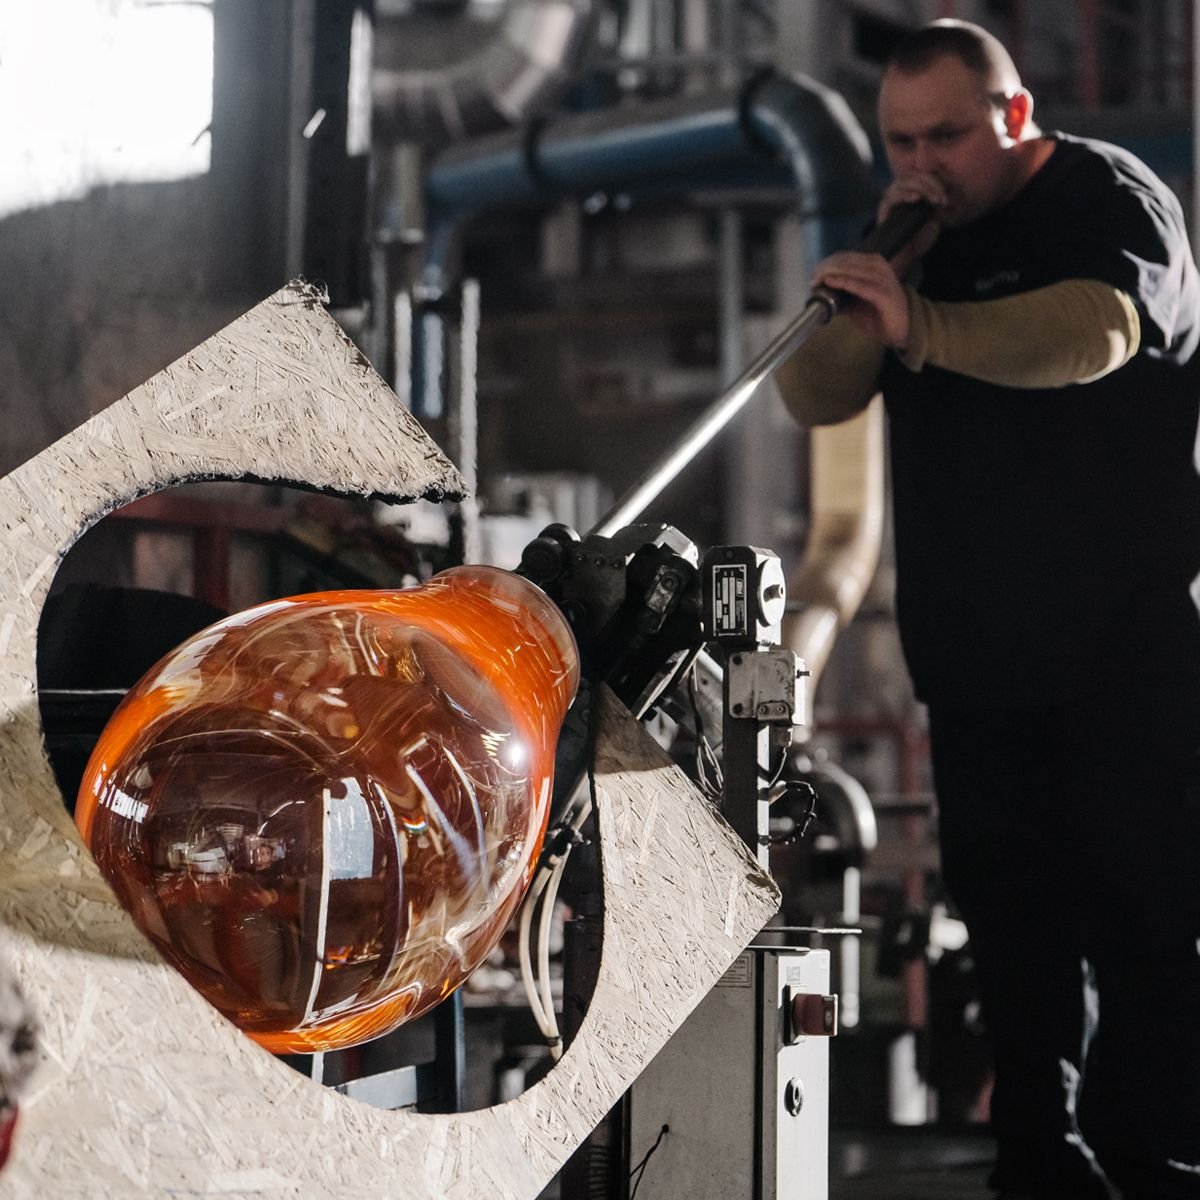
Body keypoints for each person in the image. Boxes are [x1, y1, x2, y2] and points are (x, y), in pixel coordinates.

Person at [775, 19, 1200, 1200]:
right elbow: (813, 396)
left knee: (1146, 914)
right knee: (1011, 925)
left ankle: (1157, 1158)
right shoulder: (917, 239)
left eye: (948, 137)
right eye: (902, 142)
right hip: (975, 653)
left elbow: (1095, 334)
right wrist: (879, 280)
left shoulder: (1108, 200)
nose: (925, 165)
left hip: (1122, 647)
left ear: (1014, 115)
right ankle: (1040, 1158)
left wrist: (924, 327)